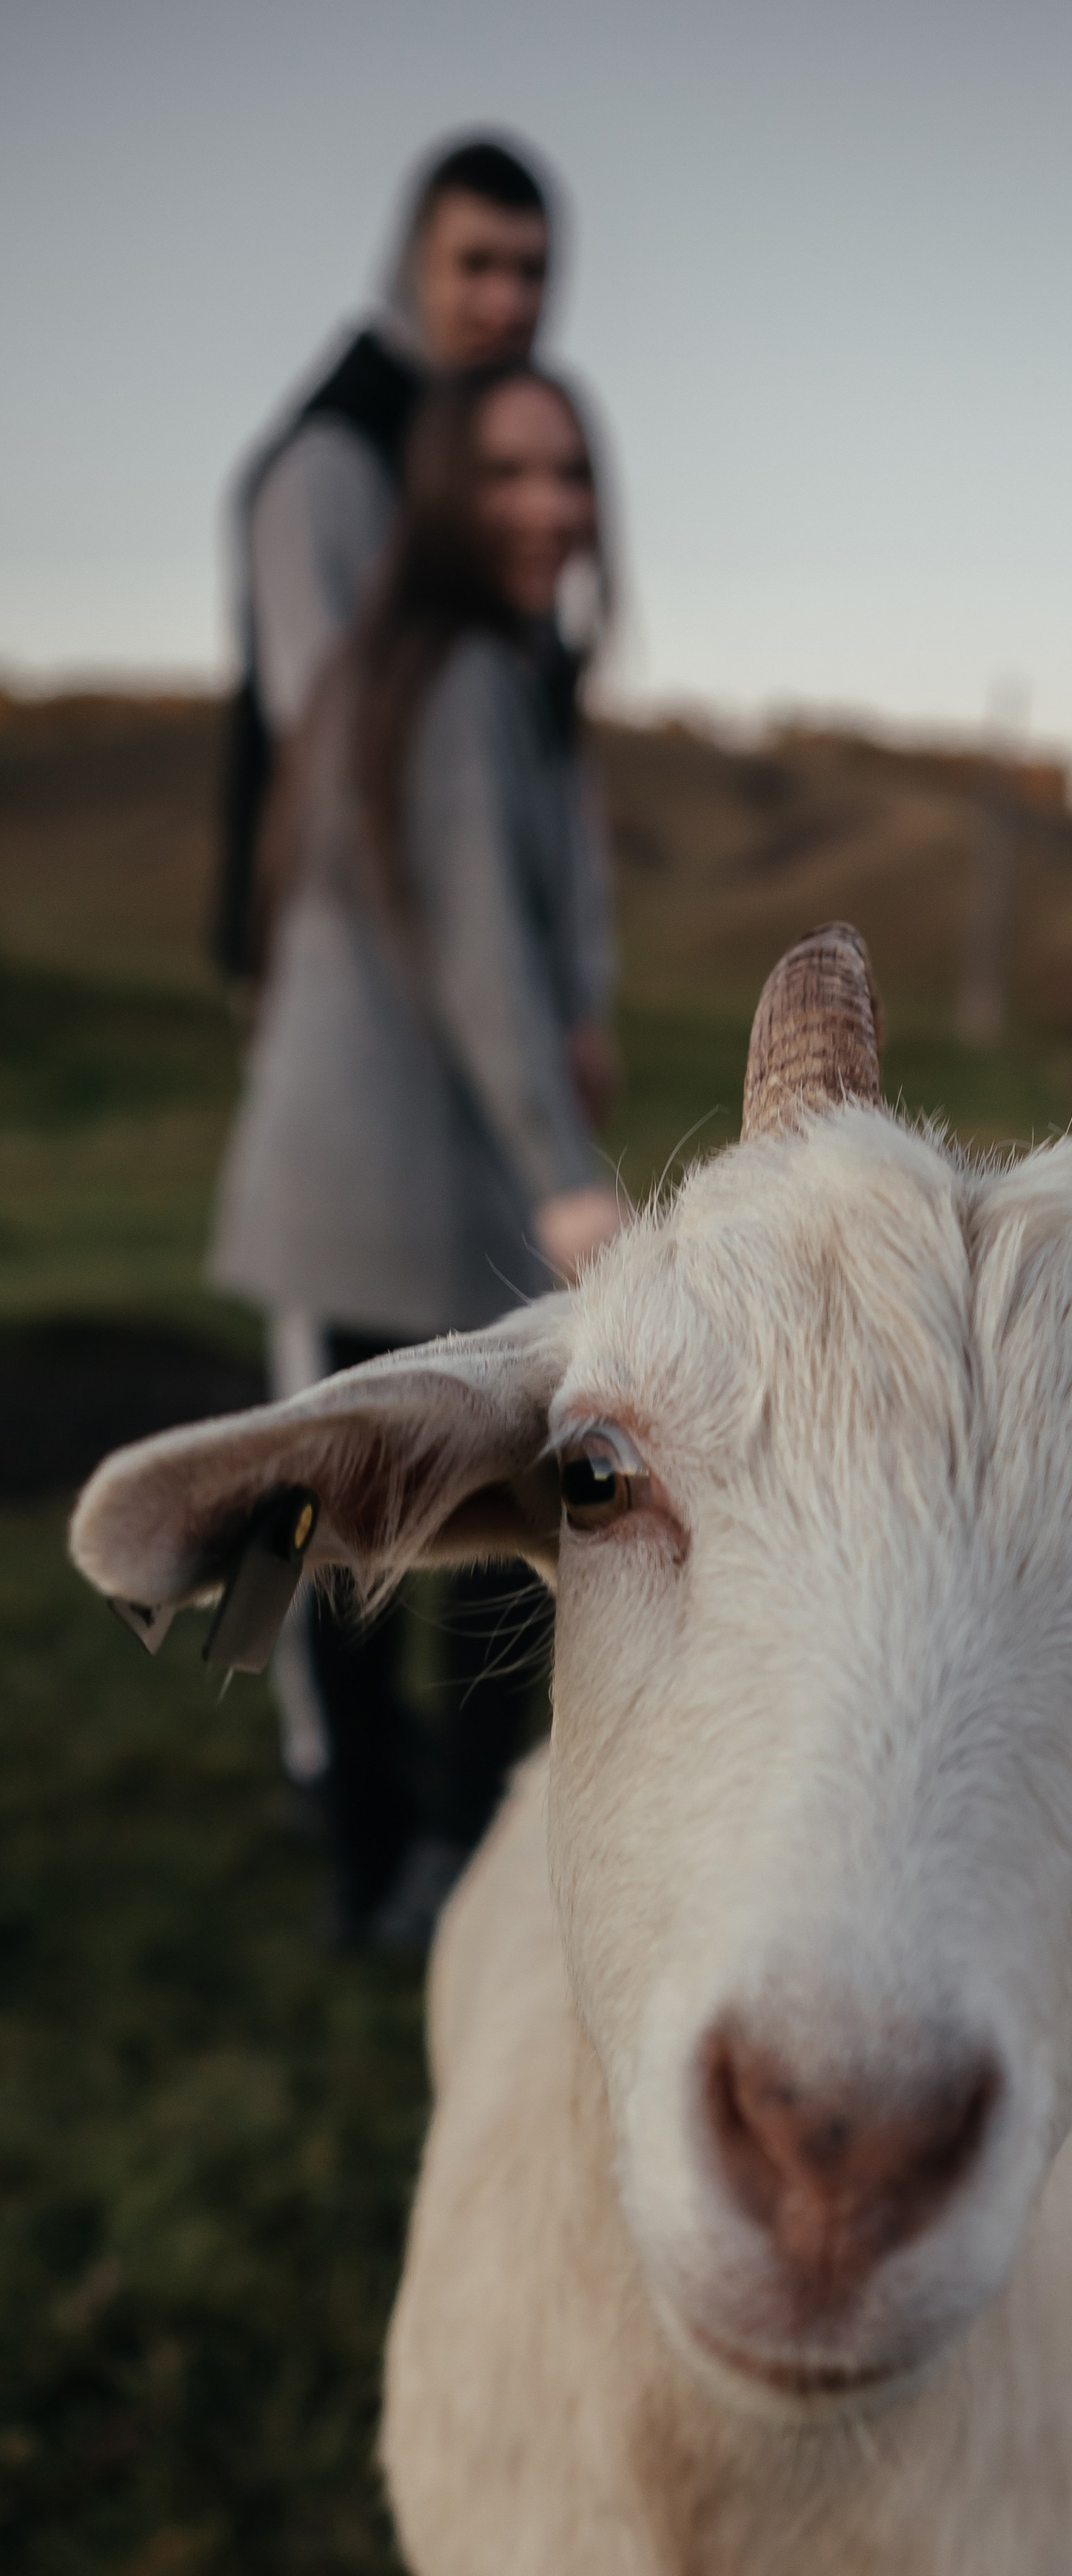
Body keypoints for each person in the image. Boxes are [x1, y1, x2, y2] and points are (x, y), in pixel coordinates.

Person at [209, 361, 623, 1949]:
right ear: (443, 495)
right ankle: (363, 1846)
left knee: (481, 1544)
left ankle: (441, 1842)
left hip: (447, 1184)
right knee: (306, 1536)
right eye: (507, 474)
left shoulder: (505, 667)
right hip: (363, 1188)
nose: (546, 507)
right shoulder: (449, 671)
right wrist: (562, 1159)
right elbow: (475, 950)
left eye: (568, 473)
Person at [210, 133, 557, 989]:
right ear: (411, 267)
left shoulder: (493, 459)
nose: (507, 303)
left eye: (531, 270)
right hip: (351, 951)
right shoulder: (332, 461)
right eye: (475, 265)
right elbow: (335, 736)